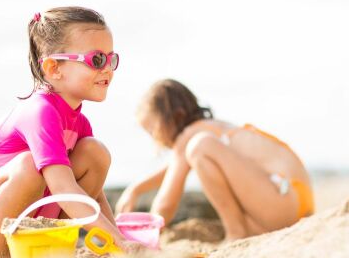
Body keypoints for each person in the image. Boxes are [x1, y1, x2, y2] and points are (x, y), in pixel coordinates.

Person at [0, 7, 134, 258]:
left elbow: (92, 194)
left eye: (112, 59)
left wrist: (119, 243)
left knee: (95, 153)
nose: (107, 68)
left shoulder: (78, 122)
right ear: (53, 68)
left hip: (32, 222)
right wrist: (120, 241)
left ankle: (57, 252)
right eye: (96, 60)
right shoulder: (40, 111)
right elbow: (63, 186)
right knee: (29, 165)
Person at [115, 79, 314, 241]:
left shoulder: (192, 136)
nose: (154, 139)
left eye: (152, 130)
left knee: (200, 146)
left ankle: (235, 232)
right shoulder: (212, 127)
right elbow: (172, 170)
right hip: (293, 202)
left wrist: (146, 234)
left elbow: (166, 205)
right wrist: (136, 189)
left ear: (175, 118)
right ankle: (241, 229)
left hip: (284, 200)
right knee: (199, 149)